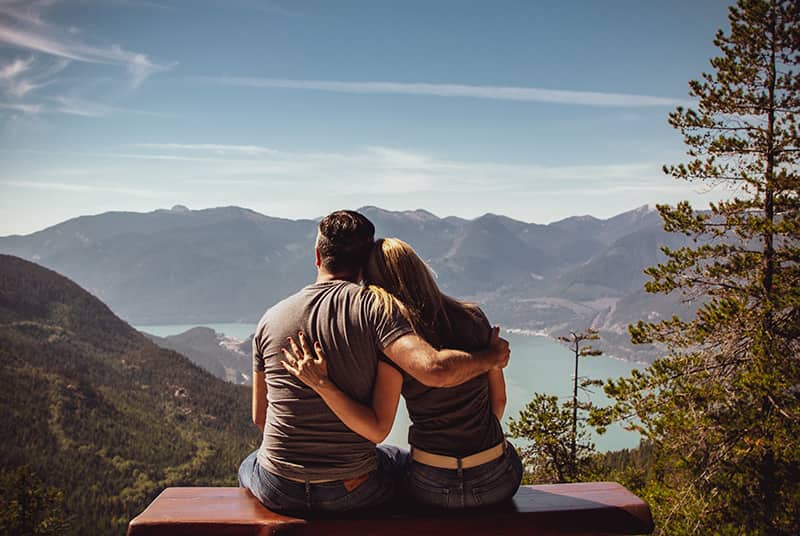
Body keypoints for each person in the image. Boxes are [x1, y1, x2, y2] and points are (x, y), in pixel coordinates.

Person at [238, 211, 510, 516]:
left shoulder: (269, 320)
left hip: (279, 487)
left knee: (249, 463)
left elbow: (261, 418)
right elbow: (430, 373)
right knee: (393, 458)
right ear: (365, 263)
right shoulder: (377, 311)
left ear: (317, 256)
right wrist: (491, 358)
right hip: (353, 489)